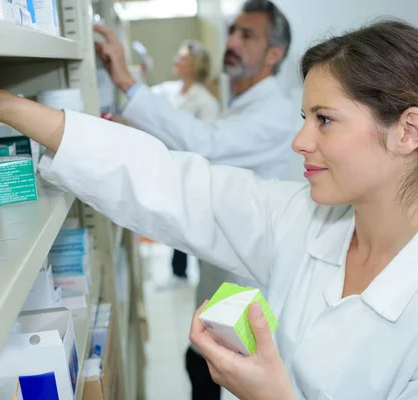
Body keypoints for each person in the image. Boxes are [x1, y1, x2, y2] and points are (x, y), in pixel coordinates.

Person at [0, 19, 418, 400]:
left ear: (408, 131)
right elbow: (172, 183)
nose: (300, 142)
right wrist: (9, 107)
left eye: (325, 121)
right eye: (303, 118)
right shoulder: (303, 220)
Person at [95, 1, 295, 398]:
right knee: (201, 362)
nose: (232, 41)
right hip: (224, 270)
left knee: (214, 370)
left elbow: (207, 147)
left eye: (247, 35)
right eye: (233, 31)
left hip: (248, 281)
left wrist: (127, 83)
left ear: (275, 55)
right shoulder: (240, 106)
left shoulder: (276, 113)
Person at [150, 39, 220, 287]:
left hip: (193, 174)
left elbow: (207, 145)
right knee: (175, 224)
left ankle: (205, 277)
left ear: (194, 65)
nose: (175, 61)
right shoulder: (170, 90)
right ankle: (178, 273)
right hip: (169, 170)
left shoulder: (206, 102)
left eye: (182, 58)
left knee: (195, 226)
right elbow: (146, 101)